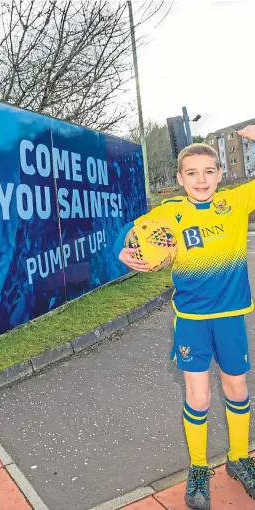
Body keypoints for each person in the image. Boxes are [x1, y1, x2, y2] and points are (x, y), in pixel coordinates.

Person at [113, 125, 255, 510]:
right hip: (191, 318)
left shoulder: (236, 202)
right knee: (198, 395)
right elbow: (132, 231)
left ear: (220, 174)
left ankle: (239, 458)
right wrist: (121, 250)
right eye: (192, 173)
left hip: (231, 318)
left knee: (238, 390)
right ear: (179, 178)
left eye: (209, 171)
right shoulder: (171, 213)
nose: (201, 179)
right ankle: (198, 468)